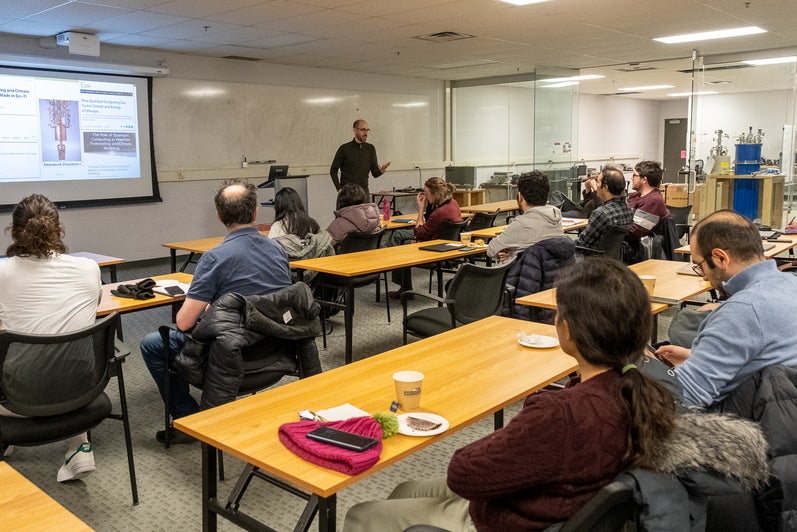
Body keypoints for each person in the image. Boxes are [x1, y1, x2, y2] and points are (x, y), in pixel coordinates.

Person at [342, 258, 677, 531]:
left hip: (513, 519)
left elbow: (463, 472)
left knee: (362, 514)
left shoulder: (561, 412)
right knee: (403, 490)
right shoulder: (642, 389)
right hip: (547, 499)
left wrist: (510, 438)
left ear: (569, 330)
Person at [140, 179, 292, 443]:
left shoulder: (214, 258)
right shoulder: (278, 250)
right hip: (275, 350)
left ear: (219, 216)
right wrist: (221, 307)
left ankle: (189, 419)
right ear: (256, 212)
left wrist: (212, 309)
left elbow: (185, 323)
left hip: (232, 356)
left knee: (152, 344)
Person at [0, 194, 102, 482]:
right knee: (61, 345)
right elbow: (90, 310)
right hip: (84, 392)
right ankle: (79, 446)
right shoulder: (88, 267)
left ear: (13, 232)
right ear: (59, 230)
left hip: (18, 400)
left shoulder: (2, 273)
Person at [656, 209, 797, 407]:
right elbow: (764, 352)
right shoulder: (790, 283)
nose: (704, 276)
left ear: (721, 258)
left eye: (700, 265)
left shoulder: (742, 311)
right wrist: (696, 356)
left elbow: (683, 398)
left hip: (742, 428)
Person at [386, 177, 462, 296]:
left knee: (400, 243)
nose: (425, 196)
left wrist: (420, 209)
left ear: (436, 194)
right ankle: (397, 275)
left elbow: (420, 233)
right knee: (399, 235)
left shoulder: (440, 212)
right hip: (446, 246)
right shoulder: (453, 203)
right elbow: (428, 224)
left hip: (434, 249)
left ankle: (404, 286)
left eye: (427, 194)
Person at [487, 171, 563, 262]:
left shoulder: (522, 224)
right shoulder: (556, 216)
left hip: (526, 274)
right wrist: (512, 255)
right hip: (552, 272)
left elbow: (491, 249)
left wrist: (510, 254)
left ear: (520, 196)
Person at [268, 187, 334, 278]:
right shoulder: (312, 224)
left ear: (278, 206)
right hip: (315, 273)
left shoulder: (278, 226)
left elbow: (271, 254)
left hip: (289, 274)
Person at [574, 165, 633, 251]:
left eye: (597, 182)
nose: (596, 185)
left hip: (592, 259)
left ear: (605, 187)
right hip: (613, 260)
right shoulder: (629, 210)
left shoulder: (601, 213)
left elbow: (582, 244)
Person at [329, 119, 390, 194]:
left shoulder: (370, 149)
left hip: (364, 192)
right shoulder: (344, 149)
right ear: (355, 130)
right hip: (348, 193)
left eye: (367, 130)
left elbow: (375, 174)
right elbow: (333, 170)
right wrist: (339, 189)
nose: (366, 133)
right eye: (363, 130)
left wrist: (381, 171)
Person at [326, 183, 381, 250]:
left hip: (345, 259)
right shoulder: (375, 220)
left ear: (341, 200)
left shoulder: (338, 224)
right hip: (371, 258)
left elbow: (324, 244)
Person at [627, 160, 669, 239]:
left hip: (635, 246)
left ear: (644, 180)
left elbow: (635, 231)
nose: (632, 178)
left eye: (634, 175)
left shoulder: (653, 201)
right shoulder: (636, 196)